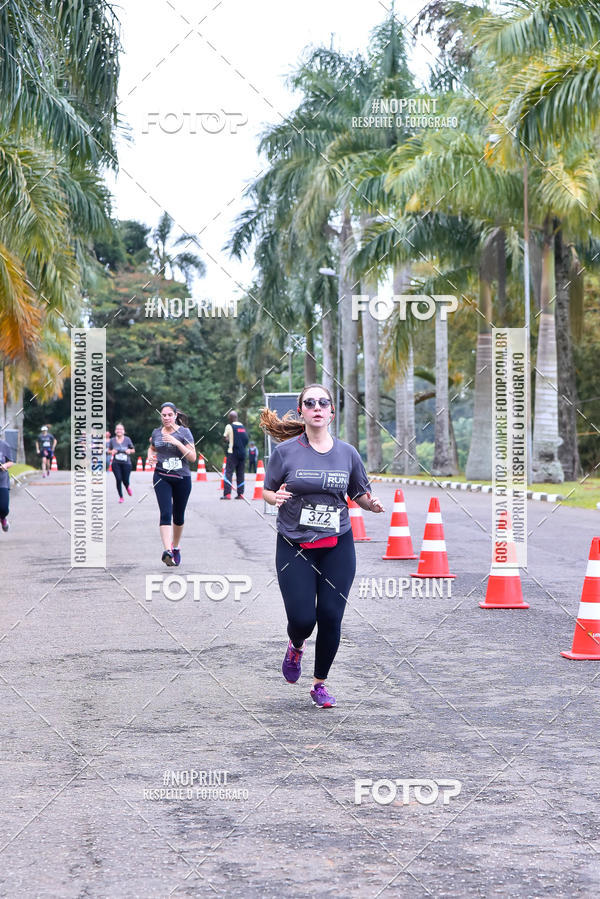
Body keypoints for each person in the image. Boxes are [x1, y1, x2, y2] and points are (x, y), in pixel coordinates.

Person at [261, 383, 385, 709]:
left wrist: (369, 504)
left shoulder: (347, 453)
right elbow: (267, 491)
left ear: (331, 412)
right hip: (294, 543)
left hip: (337, 543)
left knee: (330, 615)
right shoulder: (285, 452)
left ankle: (319, 684)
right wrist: (276, 497)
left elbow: (358, 492)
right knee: (303, 619)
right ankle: (296, 644)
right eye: (310, 402)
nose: (317, 407)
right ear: (301, 411)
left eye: (323, 403)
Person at [148, 402, 196, 567]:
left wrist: (177, 443)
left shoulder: (184, 432)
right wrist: (150, 456)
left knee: (178, 516)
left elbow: (193, 457)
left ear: (175, 415)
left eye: (169, 415)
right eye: (163, 415)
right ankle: (167, 551)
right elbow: (152, 448)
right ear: (161, 416)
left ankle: (175, 547)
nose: (166, 418)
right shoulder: (156, 432)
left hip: (182, 478)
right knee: (165, 513)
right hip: (161, 476)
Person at [222, 410, 249, 500]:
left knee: (228, 473)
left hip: (232, 453)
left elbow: (225, 438)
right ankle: (240, 494)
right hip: (242, 453)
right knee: (240, 474)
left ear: (231, 418)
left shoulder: (229, 426)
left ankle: (227, 494)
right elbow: (246, 439)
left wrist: (227, 440)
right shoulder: (242, 426)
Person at [108, 423, 135, 503]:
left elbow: (133, 450)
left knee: (125, 480)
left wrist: (129, 451)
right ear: (115, 431)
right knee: (118, 479)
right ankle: (121, 497)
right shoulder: (112, 440)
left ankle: (127, 487)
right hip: (116, 463)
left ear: (124, 431)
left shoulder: (127, 439)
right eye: (117, 429)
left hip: (127, 463)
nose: (119, 430)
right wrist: (111, 451)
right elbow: (109, 451)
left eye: (121, 429)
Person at [0, 437, 15, 532]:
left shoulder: (5, 445)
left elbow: (11, 462)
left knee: (4, 508)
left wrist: (5, 465)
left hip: (2, 482)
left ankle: (3, 518)